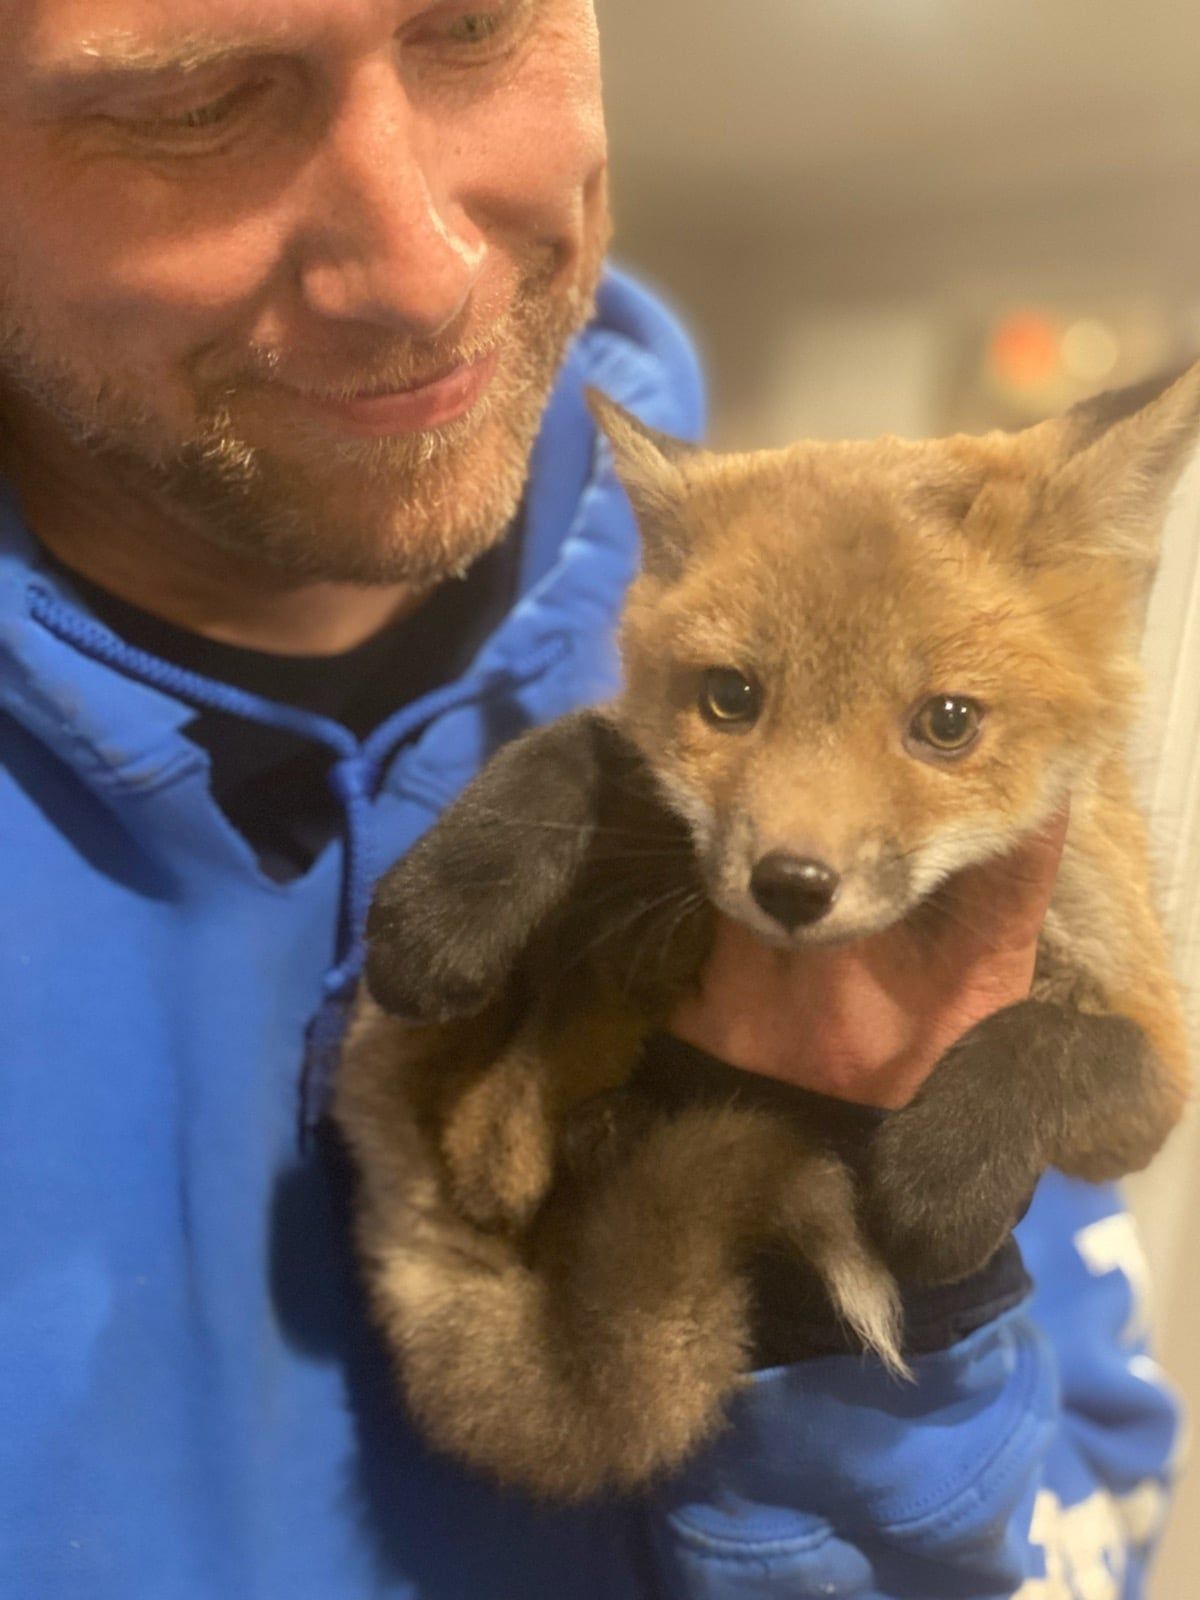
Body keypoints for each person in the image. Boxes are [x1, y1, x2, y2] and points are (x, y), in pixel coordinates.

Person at [0, 1, 1182, 1596]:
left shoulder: (830, 618)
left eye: (478, 26)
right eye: (195, 104)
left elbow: (1092, 1498)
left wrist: (827, 1346)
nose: (424, 273)